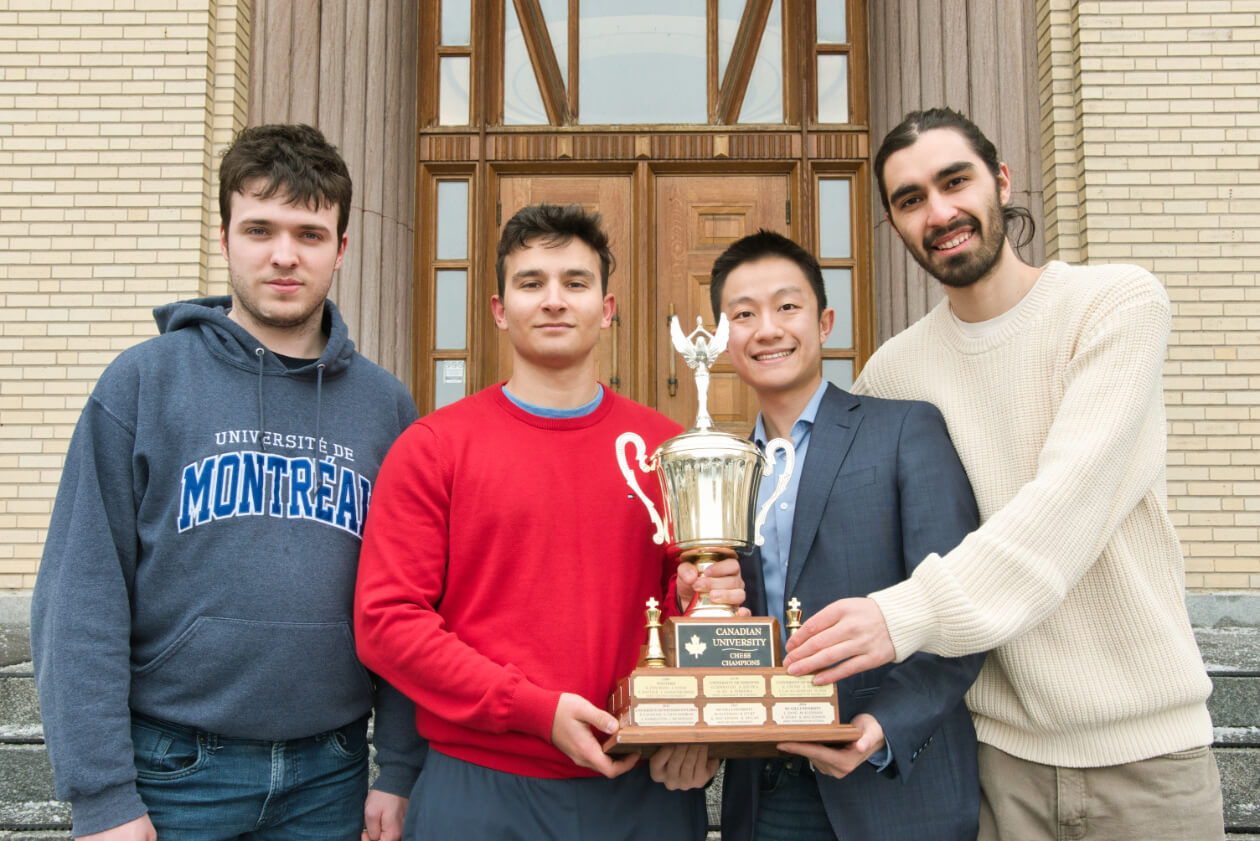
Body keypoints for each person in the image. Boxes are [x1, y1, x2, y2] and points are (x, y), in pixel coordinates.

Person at [783, 107, 1224, 840]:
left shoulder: (1115, 305)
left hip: (1148, 761)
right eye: (911, 198)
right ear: (895, 224)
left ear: (1002, 180)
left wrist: (900, 614)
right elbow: (849, 537)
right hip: (997, 767)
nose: (940, 212)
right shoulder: (895, 372)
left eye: (955, 181)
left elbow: (1064, 506)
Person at [31, 124, 425, 841]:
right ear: (223, 238)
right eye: (260, 229)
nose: (283, 255)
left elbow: (408, 597)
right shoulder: (143, 383)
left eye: (309, 233)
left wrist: (397, 766)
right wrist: (102, 796)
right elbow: (80, 593)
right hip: (174, 769)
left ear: (341, 249)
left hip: (331, 771)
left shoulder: (385, 407)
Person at [354, 203, 745, 841]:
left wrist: (697, 721)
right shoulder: (434, 446)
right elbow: (387, 622)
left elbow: (701, 601)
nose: (555, 300)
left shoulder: (670, 450)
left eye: (576, 282)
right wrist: (532, 709)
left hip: (642, 783)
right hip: (480, 782)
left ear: (608, 307)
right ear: (500, 310)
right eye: (532, 283)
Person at [708, 230, 985, 841]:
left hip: (893, 788)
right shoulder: (723, 471)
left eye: (787, 307)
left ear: (825, 320)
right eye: (743, 314)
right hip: (766, 792)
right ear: (724, 338)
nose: (767, 329)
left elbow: (961, 606)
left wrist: (881, 726)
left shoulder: (904, 430)